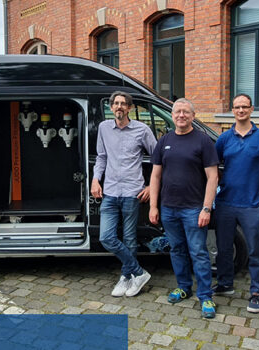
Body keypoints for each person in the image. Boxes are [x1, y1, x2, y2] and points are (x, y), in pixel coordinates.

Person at [149, 98, 219, 319]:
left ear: (193, 116)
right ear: (172, 115)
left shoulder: (203, 141)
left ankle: (206, 296)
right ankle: (184, 287)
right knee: (177, 250)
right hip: (168, 208)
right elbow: (156, 175)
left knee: (198, 252)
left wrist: (206, 208)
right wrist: (153, 205)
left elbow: (213, 176)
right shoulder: (164, 140)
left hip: (193, 208)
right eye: (177, 111)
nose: (181, 115)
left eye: (185, 112)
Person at [213, 93, 259, 313]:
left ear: (251, 110)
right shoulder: (224, 138)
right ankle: (225, 284)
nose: (240, 110)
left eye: (244, 107)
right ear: (232, 110)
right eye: (237, 107)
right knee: (223, 248)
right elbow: (214, 168)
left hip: (252, 204)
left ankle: (257, 292)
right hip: (226, 203)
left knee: (256, 250)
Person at [91, 91, 156, 297]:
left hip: (132, 192)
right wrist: (95, 179)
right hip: (109, 191)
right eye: (116, 103)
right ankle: (138, 272)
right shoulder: (103, 128)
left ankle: (127, 277)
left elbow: (158, 158)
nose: (119, 107)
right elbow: (101, 157)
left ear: (129, 108)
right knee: (106, 237)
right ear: (111, 107)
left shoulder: (142, 129)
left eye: (123, 104)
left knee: (129, 238)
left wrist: (150, 187)